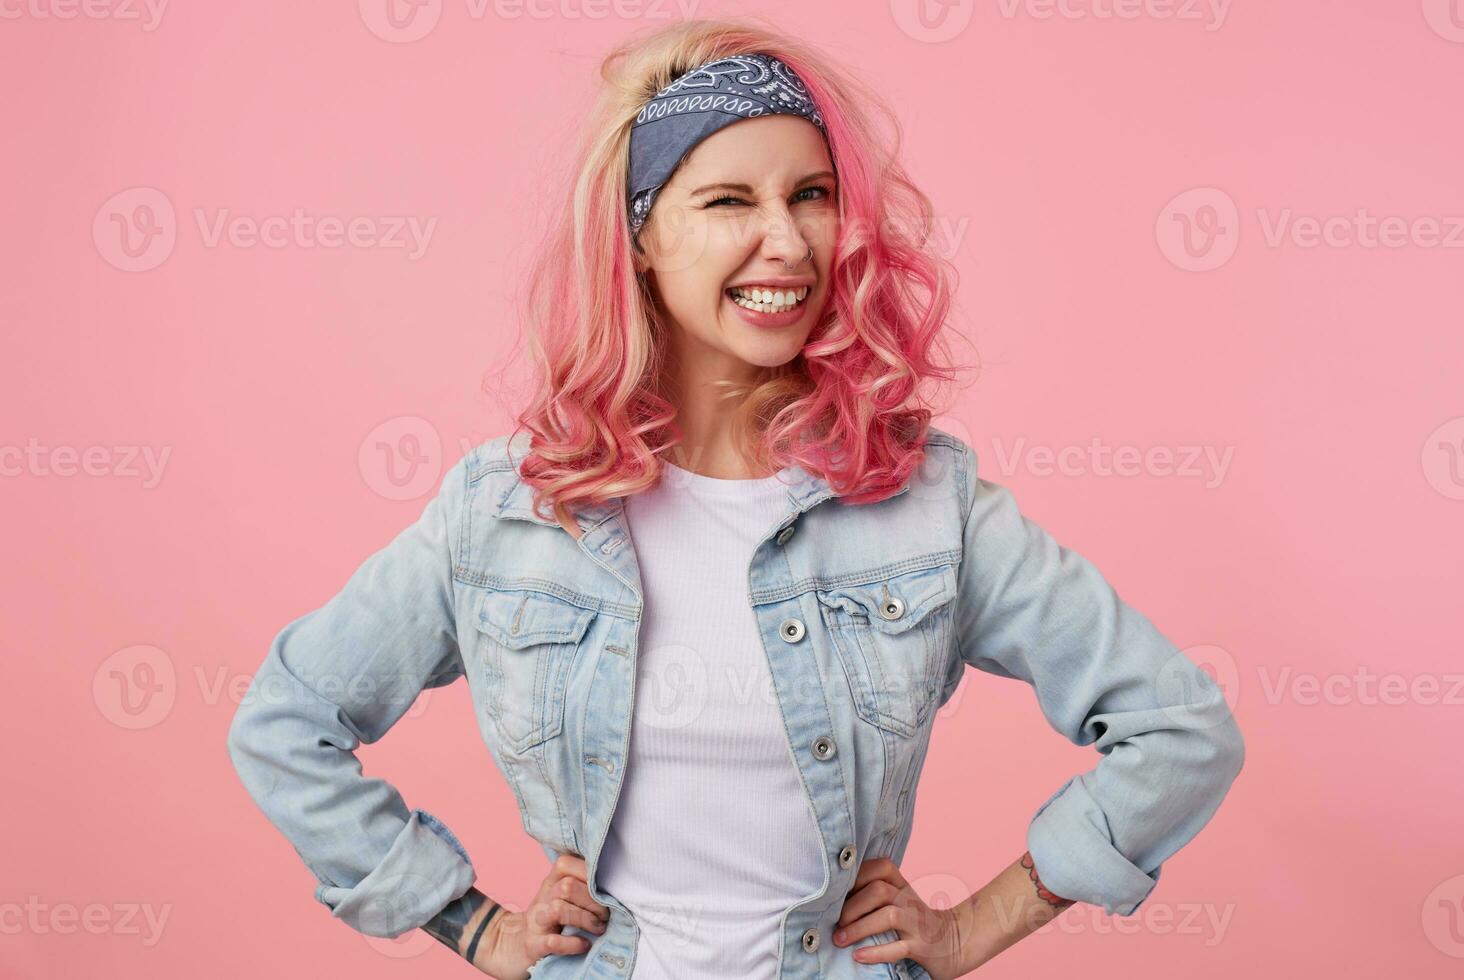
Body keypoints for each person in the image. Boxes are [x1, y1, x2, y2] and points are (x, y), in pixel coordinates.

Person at [226, 18, 1244, 980]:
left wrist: (980, 919)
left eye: (810, 194)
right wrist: (471, 919)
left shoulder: (926, 502)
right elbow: (288, 720)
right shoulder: (509, 510)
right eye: (727, 202)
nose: (791, 244)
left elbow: (1180, 725)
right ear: (638, 237)